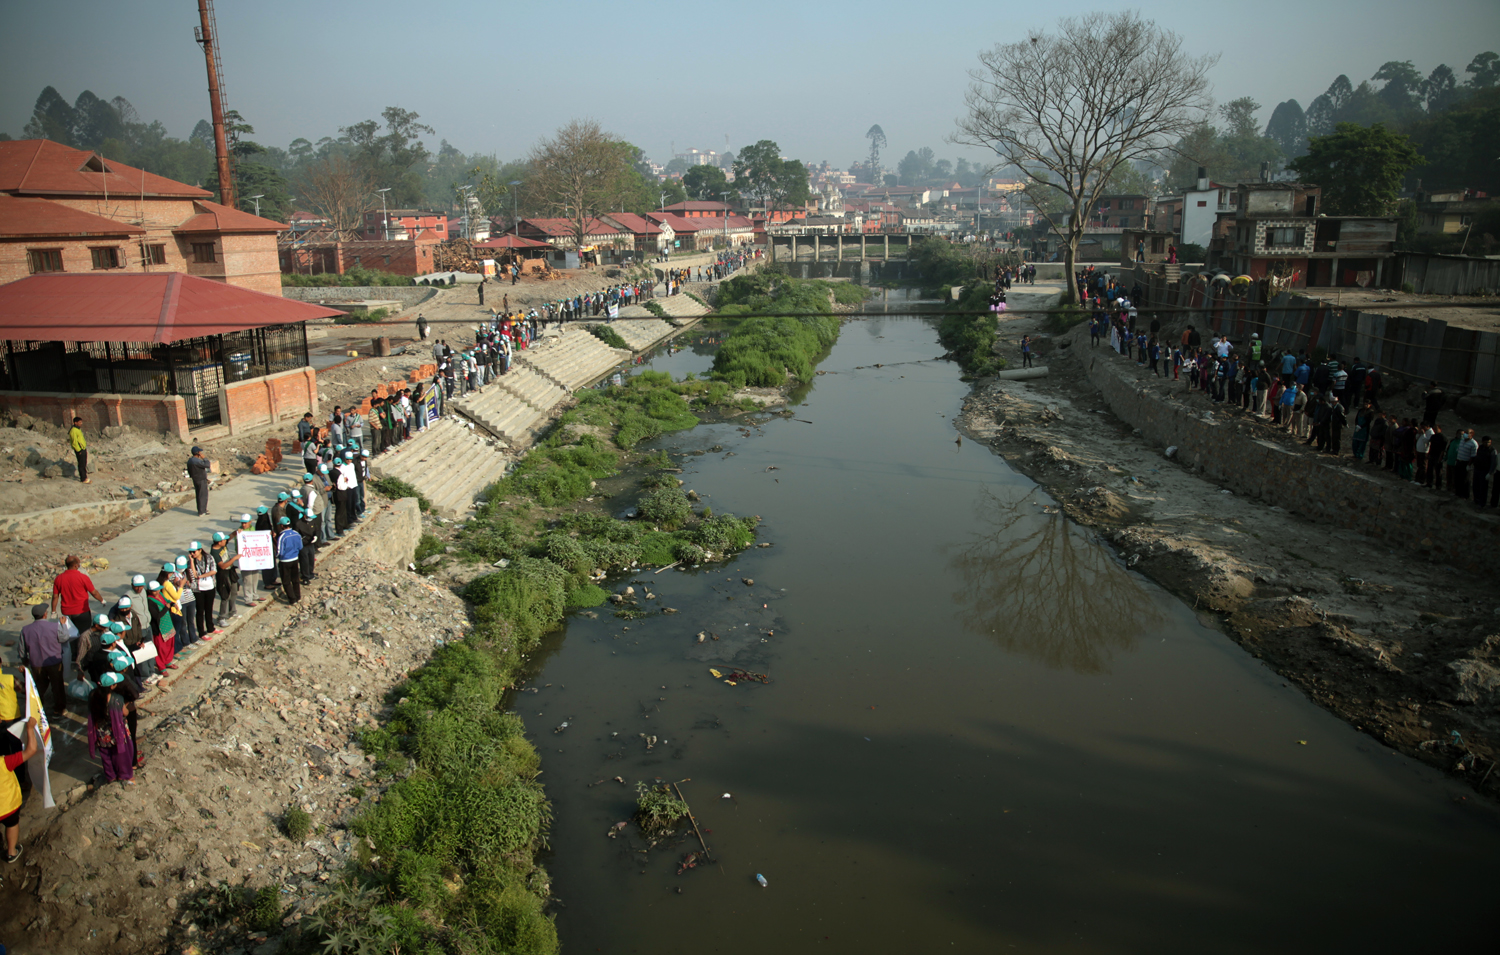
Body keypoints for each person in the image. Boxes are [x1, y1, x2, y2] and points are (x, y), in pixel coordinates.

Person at [50, 555, 103, 680]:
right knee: (84, 635)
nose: (80, 564)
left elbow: (55, 596)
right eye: (79, 563)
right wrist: (102, 600)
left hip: (67, 613)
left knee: (71, 636)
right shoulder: (82, 577)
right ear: (75, 565)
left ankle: (73, 657)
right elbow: (93, 591)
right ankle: (83, 658)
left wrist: (53, 610)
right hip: (82, 612)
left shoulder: (59, 579)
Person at [3, 716, 41, 863]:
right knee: (11, 825)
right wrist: (30, 729)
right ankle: (11, 852)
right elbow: (31, 750)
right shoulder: (5, 762)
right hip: (9, 806)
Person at [88, 672, 134, 786]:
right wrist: (127, 709)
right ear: (112, 686)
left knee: (106, 755)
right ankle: (124, 775)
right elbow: (125, 713)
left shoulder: (92, 696)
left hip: (101, 733)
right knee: (120, 755)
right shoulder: (116, 699)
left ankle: (111, 777)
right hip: (116, 733)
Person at [20, 605, 66, 716]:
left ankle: (37, 708)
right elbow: (64, 638)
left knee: (39, 686)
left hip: (36, 663)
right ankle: (59, 709)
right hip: (54, 662)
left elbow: (22, 650)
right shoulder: (55, 626)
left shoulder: (25, 630)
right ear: (45, 614)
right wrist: (63, 625)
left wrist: (25, 661)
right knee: (57, 686)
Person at [146, 580, 177, 671]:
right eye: (155, 591)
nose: (157, 592)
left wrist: (173, 604)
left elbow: (168, 601)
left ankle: (168, 661)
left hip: (168, 624)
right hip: (159, 628)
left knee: (170, 645)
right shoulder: (150, 601)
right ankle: (161, 667)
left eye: (158, 590)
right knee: (160, 648)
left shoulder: (160, 595)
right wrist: (166, 608)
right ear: (150, 591)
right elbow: (156, 616)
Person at [276, 517, 303, 604]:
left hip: (285, 561)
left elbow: (279, 551)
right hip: (295, 559)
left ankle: (292, 599)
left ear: (281, 525)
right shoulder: (296, 534)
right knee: (295, 579)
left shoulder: (282, 536)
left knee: (286, 581)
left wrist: (276, 556)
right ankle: (297, 596)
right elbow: (300, 547)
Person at [187, 446, 211, 516]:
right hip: (201, 479)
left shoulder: (190, 460)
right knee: (203, 495)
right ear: (197, 453)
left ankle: (201, 509)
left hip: (195, 479)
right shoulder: (197, 461)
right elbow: (207, 465)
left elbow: (189, 471)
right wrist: (204, 458)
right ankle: (202, 511)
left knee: (198, 494)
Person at [68, 416, 90, 484]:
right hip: (80, 450)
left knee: (84, 463)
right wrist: (79, 450)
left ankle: (85, 477)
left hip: (83, 448)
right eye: (80, 422)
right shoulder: (73, 431)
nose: (81, 423)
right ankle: (83, 478)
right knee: (81, 464)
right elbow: (74, 442)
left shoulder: (78, 429)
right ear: (75, 422)